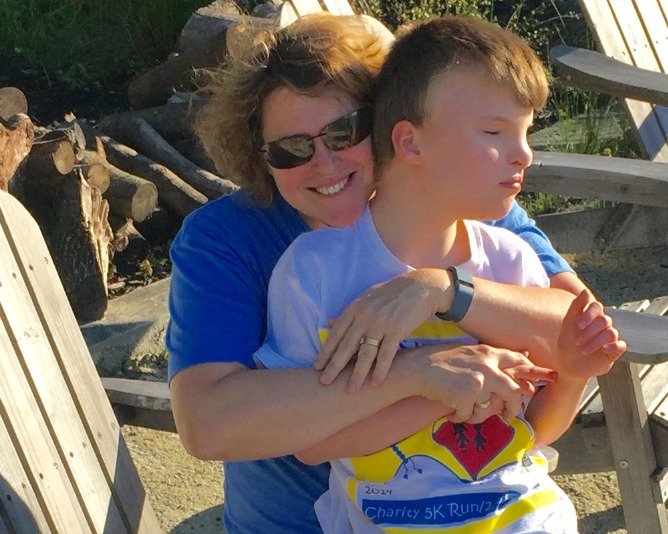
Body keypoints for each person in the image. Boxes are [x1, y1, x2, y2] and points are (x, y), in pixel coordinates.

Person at [166, 13, 625, 533]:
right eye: (291, 149)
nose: (325, 163)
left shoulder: (460, 198)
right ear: (260, 157)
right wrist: (419, 374)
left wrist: (441, 288)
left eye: (345, 131)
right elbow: (208, 426)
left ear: (389, 126)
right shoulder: (230, 239)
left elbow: (574, 320)